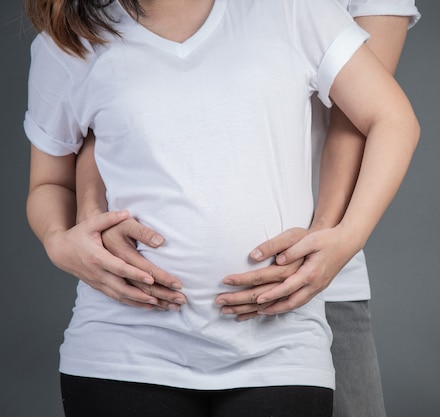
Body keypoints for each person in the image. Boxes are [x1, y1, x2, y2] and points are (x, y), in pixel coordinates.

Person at [25, 0, 419, 416]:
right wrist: (59, 242)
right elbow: (50, 180)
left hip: (278, 349)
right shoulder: (69, 41)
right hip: (121, 346)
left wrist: (343, 235)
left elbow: (389, 118)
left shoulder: (295, 10)